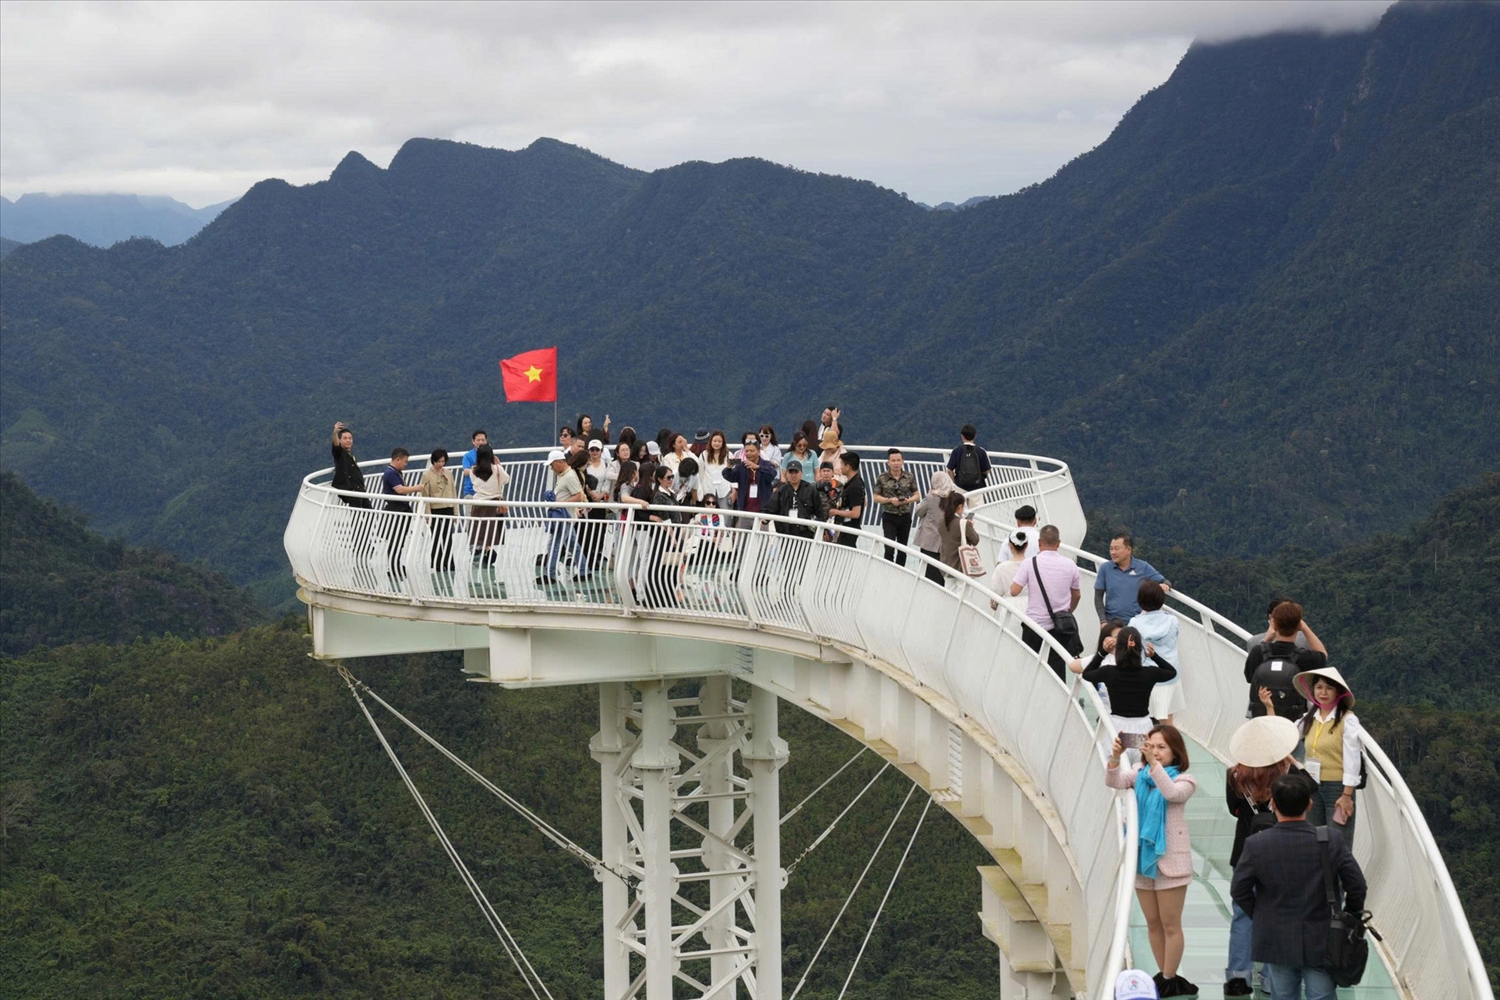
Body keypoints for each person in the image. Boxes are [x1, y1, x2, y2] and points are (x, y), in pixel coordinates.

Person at [1230, 773, 1366, 1000]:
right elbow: (1357, 886)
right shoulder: (1329, 839)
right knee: (1321, 995)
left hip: (1276, 937)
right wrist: (1350, 916)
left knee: (1283, 995)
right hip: (1323, 937)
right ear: (1309, 804)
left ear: (1273, 804)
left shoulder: (1257, 844)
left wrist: (1261, 915)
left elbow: (1239, 890)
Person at [1105, 725, 1198, 999]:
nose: (1155, 751)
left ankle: (1170, 977)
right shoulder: (1139, 774)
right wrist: (1114, 757)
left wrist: (1154, 764)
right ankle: (1163, 973)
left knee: (1171, 924)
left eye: (1162, 747)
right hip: (1142, 860)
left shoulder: (1185, 780)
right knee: (1153, 923)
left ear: (1175, 752)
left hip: (1170, 861)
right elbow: (1114, 781)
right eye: (1151, 745)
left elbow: (1170, 793)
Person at [1223, 716, 1312, 997]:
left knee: (1242, 914)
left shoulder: (1235, 775)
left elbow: (1233, 809)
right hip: (1281, 853)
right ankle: (1271, 978)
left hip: (1246, 850)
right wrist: (1294, 762)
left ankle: (1239, 976)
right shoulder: (1287, 775)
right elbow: (1313, 788)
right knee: (1277, 913)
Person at [1070, 625, 1176, 750]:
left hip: (1117, 725)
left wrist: (1102, 652)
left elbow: (1087, 674)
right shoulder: (1149, 673)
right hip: (1142, 725)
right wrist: (1154, 656)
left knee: (1116, 762)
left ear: (1117, 649)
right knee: (1138, 764)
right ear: (1140, 649)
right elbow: (1171, 672)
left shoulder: (1109, 672)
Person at [1291, 667, 1363, 848]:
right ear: (1313, 690)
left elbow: (1352, 757)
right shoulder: (1309, 718)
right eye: (1319, 687)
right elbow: (1288, 735)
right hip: (1312, 787)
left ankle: (1338, 878)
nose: (1323, 692)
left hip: (1337, 790)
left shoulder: (1347, 720)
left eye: (1329, 688)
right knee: (1314, 841)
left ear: (1337, 692)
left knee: (1338, 845)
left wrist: (1347, 795)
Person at [1010, 524, 1082, 680]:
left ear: (1039, 542)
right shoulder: (1070, 565)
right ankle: (1057, 700)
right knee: (1057, 667)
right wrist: (1069, 610)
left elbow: (1014, 591)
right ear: (1058, 543)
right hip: (1060, 626)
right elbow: (1077, 594)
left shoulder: (1030, 563)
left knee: (1029, 665)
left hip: (1034, 624)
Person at [1244, 602, 1328, 719]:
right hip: (1292, 723)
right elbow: (1323, 655)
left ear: (1274, 625)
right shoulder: (1304, 658)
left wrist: (1266, 640)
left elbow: (1250, 677)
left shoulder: (1258, 652)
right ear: (1298, 626)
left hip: (1262, 719)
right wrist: (1304, 628)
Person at [1130, 581, 1182, 723]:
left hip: (1145, 677)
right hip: (1169, 675)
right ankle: (1170, 745)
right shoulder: (1172, 621)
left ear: (1140, 601)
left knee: (1141, 720)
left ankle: (1138, 745)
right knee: (1167, 722)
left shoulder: (1134, 623)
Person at [1095, 532, 1171, 622]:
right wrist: (1103, 621)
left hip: (1137, 622)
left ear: (1128, 550)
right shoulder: (1105, 568)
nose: (1113, 552)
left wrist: (1165, 585)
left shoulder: (1143, 567)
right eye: (1111, 549)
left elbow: (1165, 581)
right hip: (1112, 622)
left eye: (1116, 549)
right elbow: (1098, 597)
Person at [543, 448, 588, 584]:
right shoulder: (565, 475)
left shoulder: (569, 476)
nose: (551, 468)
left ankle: (550, 575)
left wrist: (561, 503)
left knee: (555, 544)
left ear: (558, 463)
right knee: (573, 545)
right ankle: (584, 570)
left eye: (552, 465)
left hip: (564, 517)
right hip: (566, 516)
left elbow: (578, 496)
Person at [380, 448, 423, 585]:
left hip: (400, 509)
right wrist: (417, 488)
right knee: (395, 540)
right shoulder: (391, 473)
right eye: (405, 461)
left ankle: (396, 565)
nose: (406, 464)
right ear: (397, 459)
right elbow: (400, 490)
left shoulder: (394, 472)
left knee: (399, 540)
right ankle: (393, 567)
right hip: (395, 510)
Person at [872, 448, 919, 564]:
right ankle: (887, 571)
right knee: (889, 547)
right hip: (889, 516)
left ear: (903, 461)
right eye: (893, 460)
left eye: (898, 460)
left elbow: (917, 495)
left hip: (905, 516)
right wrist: (889, 500)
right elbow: (876, 497)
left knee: (903, 549)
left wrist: (907, 501)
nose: (896, 463)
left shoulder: (909, 476)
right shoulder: (882, 477)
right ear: (888, 462)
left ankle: (900, 572)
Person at [467, 444, 509, 565]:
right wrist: (498, 465)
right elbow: (506, 480)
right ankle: (489, 549)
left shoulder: (473, 470)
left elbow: (474, 483)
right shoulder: (496, 469)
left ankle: (484, 550)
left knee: (480, 529)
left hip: (479, 503)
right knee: (491, 529)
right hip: (494, 503)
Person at [721, 439, 779, 527]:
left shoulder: (766, 464)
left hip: (762, 512)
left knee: (761, 539)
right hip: (745, 511)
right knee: (743, 539)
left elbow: (772, 474)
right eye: (746, 451)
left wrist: (758, 467)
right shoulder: (742, 466)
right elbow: (730, 477)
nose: (749, 453)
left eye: (752, 451)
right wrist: (728, 468)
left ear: (759, 452)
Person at [912, 470, 955, 585]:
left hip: (930, 541)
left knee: (928, 570)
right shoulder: (953, 497)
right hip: (946, 541)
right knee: (941, 572)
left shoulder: (931, 497)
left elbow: (919, 512)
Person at [419, 448, 459, 572]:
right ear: (433, 461)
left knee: (448, 537)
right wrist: (427, 514)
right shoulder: (427, 475)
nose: (441, 464)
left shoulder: (448, 473)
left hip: (448, 507)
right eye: (438, 461)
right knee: (436, 537)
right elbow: (424, 495)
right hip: (435, 509)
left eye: (443, 461)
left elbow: (453, 491)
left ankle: (449, 563)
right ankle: (438, 563)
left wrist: (456, 512)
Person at [763, 459, 820, 539]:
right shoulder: (781, 491)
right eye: (791, 472)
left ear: (801, 473)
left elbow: (819, 511)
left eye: (796, 472)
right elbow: (770, 508)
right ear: (786, 474)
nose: (793, 475)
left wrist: (822, 530)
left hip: (806, 535)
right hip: (785, 534)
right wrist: (765, 519)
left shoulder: (811, 490)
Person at [935, 490, 979, 574]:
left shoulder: (941, 522)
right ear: (960, 506)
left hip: (946, 565)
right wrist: (970, 526)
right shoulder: (964, 523)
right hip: (962, 566)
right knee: (964, 587)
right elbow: (975, 540)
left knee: (948, 587)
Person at [987, 528, 1031, 611]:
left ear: (1010, 547)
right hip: (1030, 605)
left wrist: (994, 601)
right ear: (1026, 545)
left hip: (1009, 606)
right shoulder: (1033, 565)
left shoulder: (1002, 567)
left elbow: (996, 589)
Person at [828, 452, 866, 547]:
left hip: (849, 528)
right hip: (844, 526)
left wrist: (836, 512)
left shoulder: (855, 486)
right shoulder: (852, 483)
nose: (840, 467)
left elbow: (855, 513)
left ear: (848, 467)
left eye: (841, 464)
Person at [330, 422, 369, 508]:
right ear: (340, 440)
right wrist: (335, 432)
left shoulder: (350, 454)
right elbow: (336, 446)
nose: (348, 440)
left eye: (350, 438)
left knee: (370, 515)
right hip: (352, 490)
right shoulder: (340, 454)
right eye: (345, 438)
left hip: (360, 488)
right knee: (357, 515)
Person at [946, 424, 991, 492]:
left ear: (962, 436)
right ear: (975, 436)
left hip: (959, 487)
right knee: (978, 502)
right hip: (977, 488)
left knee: (960, 502)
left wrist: (954, 483)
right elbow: (986, 471)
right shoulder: (981, 451)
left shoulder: (957, 451)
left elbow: (949, 470)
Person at [699, 430, 733, 508]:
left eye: (719, 441)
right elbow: (700, 475)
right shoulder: (704, 455)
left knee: (725, 514)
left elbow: (733, 473)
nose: (716, 443)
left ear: (723, 443)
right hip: (708, 489)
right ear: (710, 441)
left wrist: (734, 491)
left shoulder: (729, 455)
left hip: (725, 489)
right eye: (714, 441)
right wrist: (701, 490)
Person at [458, 429, 487, 500]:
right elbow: (466, 472)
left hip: (486, 493)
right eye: (478, 440)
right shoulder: (468, 456)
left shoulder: (489, 455)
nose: (481, 442)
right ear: (473, 441)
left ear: (486, 441)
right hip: (471, 492)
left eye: (483, 440)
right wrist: (480, 469)